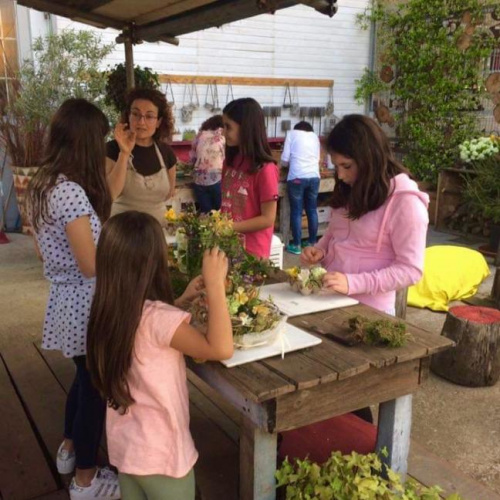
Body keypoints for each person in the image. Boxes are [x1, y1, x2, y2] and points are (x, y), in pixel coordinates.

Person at [27, 99, 134, 499]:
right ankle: (86, 480)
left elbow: (107, 198)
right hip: (87, 301)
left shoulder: (45, 183)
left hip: (66, 299)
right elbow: (91, 263)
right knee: (96, 390)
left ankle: (70, 450)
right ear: (85, 142)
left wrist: (123, 153)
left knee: (83, 377)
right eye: (101, 138)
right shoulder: (69, 191)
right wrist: (127, 260)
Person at [86, 211, 233, 500]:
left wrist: (181, 301)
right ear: (153, 264)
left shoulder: (110, 310)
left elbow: (146, 327)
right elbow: (220, 348)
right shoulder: (158, 319)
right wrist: (216, 286)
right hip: (162, 455)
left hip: (129, 450)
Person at [301, 114, 429, 315]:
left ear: (370, 159)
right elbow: (336, 232)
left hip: (369, 311)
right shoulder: (350, 187)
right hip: (328, 298)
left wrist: (353, 283)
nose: (341, 176)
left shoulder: (406, 202)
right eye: (336, 166)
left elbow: (410, 270)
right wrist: (320, 249)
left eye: (347, 166)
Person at [106, 88, 177, 226]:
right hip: (121, 234)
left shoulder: (166, 153)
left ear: (158, 122)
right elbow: (110, 194)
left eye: (149, 116)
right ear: (128, 116)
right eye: (136, 114)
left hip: (157, 233)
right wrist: (124, 153)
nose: (141, 122)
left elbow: (169, 193)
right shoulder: (112, 149)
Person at [221, 97, 279, 259]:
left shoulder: (265, 169)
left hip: (252, 253)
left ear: (246, 128)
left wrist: (231, 227)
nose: (224, 133)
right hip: (228, 246)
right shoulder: (230, 161)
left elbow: (268, 218)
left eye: (228, 127)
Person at [280, 121, 321, 254]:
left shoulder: (292, 134)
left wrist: (285, 166)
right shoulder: (315, 137)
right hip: (314, 176)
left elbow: (285, 160)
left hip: (297, 177)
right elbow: (318, 158)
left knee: (296, 211)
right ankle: (312, 242)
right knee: (312, 210)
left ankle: (297, 245)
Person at [189, 115, 225, 213]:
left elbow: (192, 158)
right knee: (220, 215)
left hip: (199, 180)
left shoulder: (199, 135)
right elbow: (227, 159)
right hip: (217, 179)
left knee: (206, 215)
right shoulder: (221, 136)